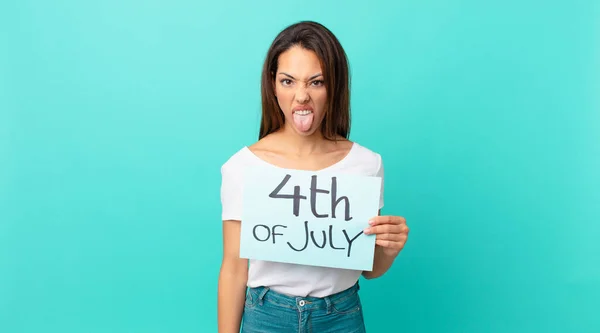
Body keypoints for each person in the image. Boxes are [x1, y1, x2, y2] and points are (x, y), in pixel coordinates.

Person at [217, 21, 409, 333]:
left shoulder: (366, 164)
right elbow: (234, 270)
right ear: (273, 84)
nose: (301, 96)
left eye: (316, 82)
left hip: (341, 316)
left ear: (334, 86)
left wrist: (388, 250)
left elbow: (368, 270)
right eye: (288, 81)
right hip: (267, 316)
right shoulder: (243, 167)